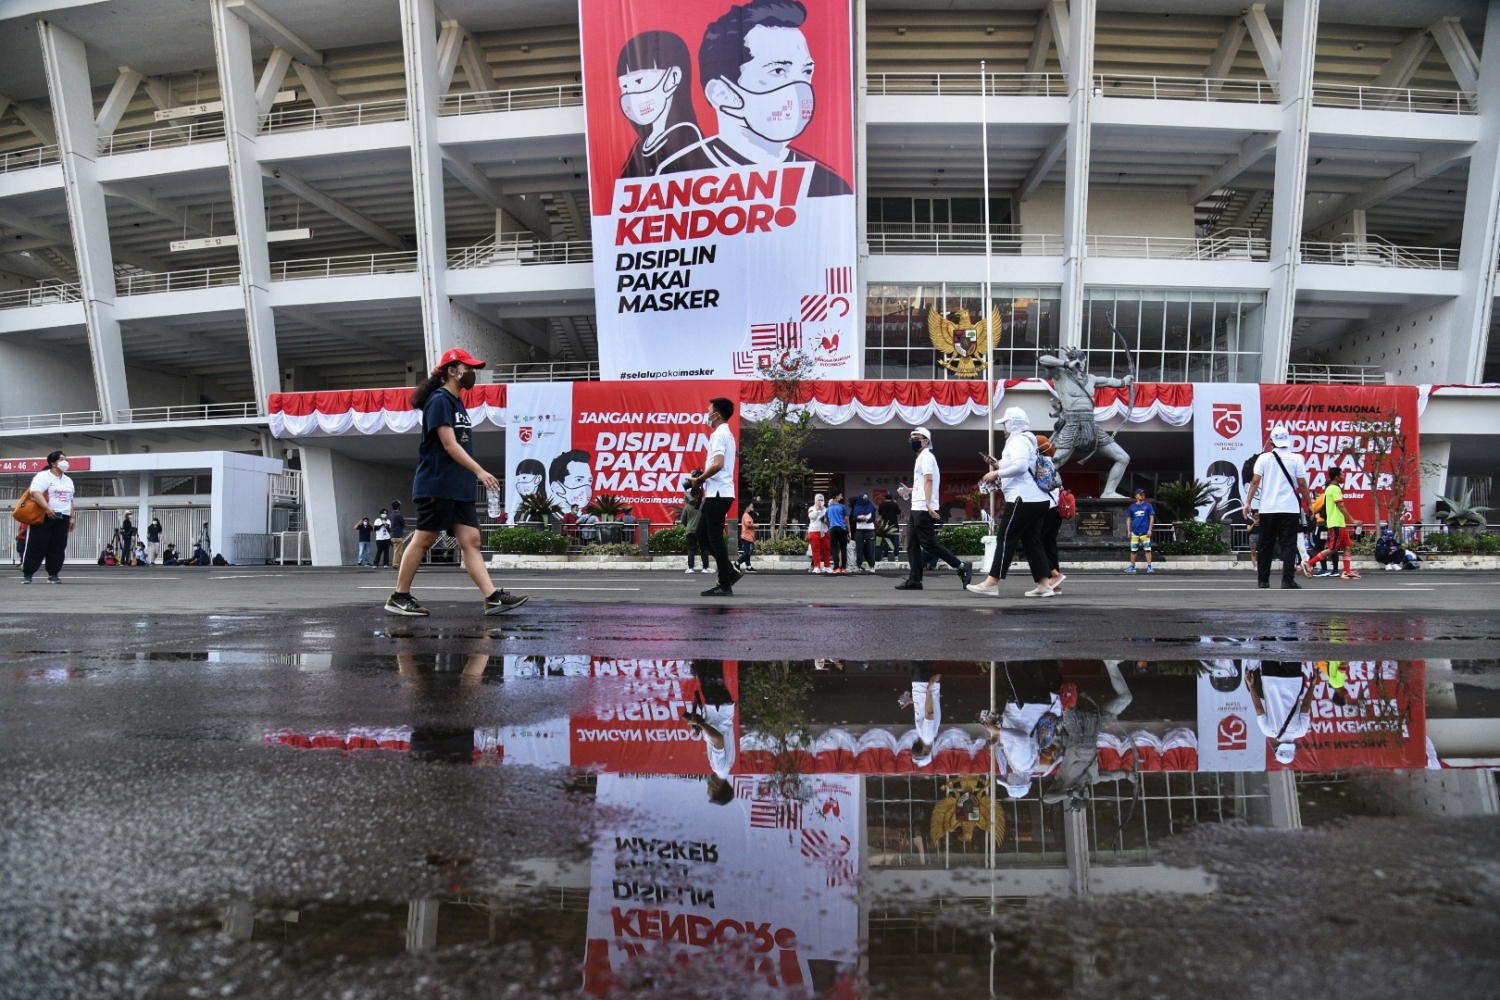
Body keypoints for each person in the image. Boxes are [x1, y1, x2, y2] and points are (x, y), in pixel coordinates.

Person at [385, 347, 529, 617]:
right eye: (469, 368)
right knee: (425, 538)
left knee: (471, 540)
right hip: (438, 482)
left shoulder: (457, 402)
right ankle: (399, 596)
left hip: (457, 486)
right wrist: (479, 471)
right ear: (453, 371)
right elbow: (449, 445)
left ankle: (493, 598)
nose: (473, 374)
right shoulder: (440, 400)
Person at [658, 0, 852, 196]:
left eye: (806, 71)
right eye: (778, 70)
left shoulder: (829, 187)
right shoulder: (677, 177)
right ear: (721, 94)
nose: (799, 87)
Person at [969, 407, 1051, 598]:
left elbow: (1021, 467)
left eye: (1006, 423)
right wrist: (998, 465)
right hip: (1037, 499)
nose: (1004, 427)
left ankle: (992, 582)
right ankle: (1044, 584)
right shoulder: (1028, 441)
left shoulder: (1018, 441)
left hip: (1022, 498)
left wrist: (996, 473)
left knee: (1005, 539)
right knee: (1032, 541)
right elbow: (1020, 465)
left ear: (1013, 424)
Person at [615, 30, 705, 178]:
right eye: (624, 87)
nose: (630, 95)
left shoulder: (689, 143)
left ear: (672, 78)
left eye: (639, 82)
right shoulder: (639, 148)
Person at [895, 427, 972, 591]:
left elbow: (929, 480)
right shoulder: (922, 458)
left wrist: (929, 505)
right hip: (917, 506)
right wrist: (910, 490)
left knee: (929, 544)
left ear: (926, 441)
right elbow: (924, 483)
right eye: (911, 439)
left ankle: (962, 567)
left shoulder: (927, 457)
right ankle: (915, 580)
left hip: (923, 507)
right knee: (912, 545)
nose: (913, 441)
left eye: (917, 438)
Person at [1243, 425, 1313, 590]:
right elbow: (1302, 484)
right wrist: (1309, 504)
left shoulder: (1264, 458)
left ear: (1272, 441)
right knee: (1289, 544)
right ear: (1287, 440)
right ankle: (1287, 580)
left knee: (1265, 544)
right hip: (1290, 508)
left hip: (1268, 508)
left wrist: (1248, 503)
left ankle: (1263, 580)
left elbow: (1255, 481)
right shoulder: (1296, 458)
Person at [686, 397, 742, 597]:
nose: (707, 414)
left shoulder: (719, 434)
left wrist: (698, 479)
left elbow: (718, 464)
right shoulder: (726, 434)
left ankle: (724, 584)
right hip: (719, 493)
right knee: (702, 534)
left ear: (716, 415)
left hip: (718, 494)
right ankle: (729, 571)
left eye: (709, 410)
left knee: (715, 538)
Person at [682, 660, 738, 805]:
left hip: (720, 707)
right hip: (718, 707)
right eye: (710, 790)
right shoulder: (719, 768)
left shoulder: (726, 767)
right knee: (713, 665)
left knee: (702, 670)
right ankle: (715, 640)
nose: (707, 786)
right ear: (715, 787)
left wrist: (701, 725)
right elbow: (718, 737)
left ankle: (707, 643)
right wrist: (700, 723)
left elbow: (716, 735)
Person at [1247, 661, 1316, 766]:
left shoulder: (1301, 731)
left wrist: (1312, 685)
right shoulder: (1268, 731)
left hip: (1293, 681)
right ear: (1276, 747)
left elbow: (1306, 706)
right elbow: (1259, 709)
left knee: (1292, 648)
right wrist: (1251, 686)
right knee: (1268, 648)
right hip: (1271, 681)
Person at [21, 450, 75, 584]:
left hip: (63, 516)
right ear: (52, 463)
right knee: (37, 544)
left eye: (65, 459)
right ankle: (28, 573)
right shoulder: (43, 476)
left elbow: (70, 499)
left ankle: (53, 574)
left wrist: (72, 517)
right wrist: (47, 508)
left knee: (58, 545)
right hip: (44, 515)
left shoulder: (68, 480)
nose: (65, 462)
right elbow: (35, 492)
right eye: (61, 459)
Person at [1304, 467, 1359, 580]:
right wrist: (1352, 520)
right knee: (1333, 548)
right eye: (1342, 475)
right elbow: (1340, 505)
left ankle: (1347, 571)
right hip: (1336, 523)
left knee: (1347, 547)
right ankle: (1309, 563)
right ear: (1336, 477)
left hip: (1340, 523)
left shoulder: (1332, 488)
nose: (1344, 477)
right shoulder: (1334, 488)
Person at [898, 666, 941, 768]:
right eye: (917, 756)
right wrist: (929, 689)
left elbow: (923, 709)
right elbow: (929, 712)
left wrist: (911, 701)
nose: (912, 753)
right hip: (924, 685)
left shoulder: (924, 736)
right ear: (925, 752)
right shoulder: (927, 737)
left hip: (921, 687)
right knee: (920, 657)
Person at [1125, 488, 1156, 574]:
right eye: (1140, 494)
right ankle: (1132, 566)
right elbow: (1129, 519)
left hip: (1145, 532)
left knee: (1148, 549)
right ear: (1136, 496)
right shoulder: (1132, 507)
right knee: (1133, 550)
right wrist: (1129, 531)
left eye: (1143, 494)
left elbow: (1151, 518)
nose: (1142, 495)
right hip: (1135, 532)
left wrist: (1150, 530)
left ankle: (1149, 566)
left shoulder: (1148, 506)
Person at [680, 487, 705, 572]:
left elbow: (683, 519)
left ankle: (691, 568)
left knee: (691, 549)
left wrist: (688, 525)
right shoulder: (703, 504)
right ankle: (705, 568)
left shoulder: (688, 506)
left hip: (690, 530)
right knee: (704, 549)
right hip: (701, 530)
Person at [852, 492, 878, 572]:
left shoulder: (871, 507)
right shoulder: (856, 507)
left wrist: (867, 520)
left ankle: (872, 566)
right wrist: (859, 518)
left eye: (867, 497)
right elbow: (853, 519)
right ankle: (858, 566)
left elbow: (873, 518)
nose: (865, 499)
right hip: (859, 530)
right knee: (859, 549)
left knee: (870, 548)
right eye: (864, 497)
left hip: (869, 530)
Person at [806, 493, 831, 573]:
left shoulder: (826, 509)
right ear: (815, 500)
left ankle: (827, 566)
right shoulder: (811, 508)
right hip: (814, 531)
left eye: (822, 500)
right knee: (816, 550)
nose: (820, 502)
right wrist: (817, 509)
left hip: (824, 531)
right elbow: (811, 516)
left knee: (826, 549)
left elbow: (829, 518)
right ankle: (817, 566)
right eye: (818, 500)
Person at [825, 491, 849, 574]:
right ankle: (844, 568)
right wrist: (849, 531)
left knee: (834, 549)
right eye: (840, 496)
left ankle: (836, 567)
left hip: (833, 529)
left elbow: (825, 520)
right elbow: (846, 519)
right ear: (836, 497)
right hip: (842, 528)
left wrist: (830, 525)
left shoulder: (829, 508)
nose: (841, 497)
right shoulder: (843, 507)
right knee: (843, 548)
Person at [877, 491, 902, 561]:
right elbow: (899, 512)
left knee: (886, 542)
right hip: (894, 525)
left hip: (885, 526)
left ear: (885, 498)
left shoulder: (881, 505)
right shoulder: (894, 505)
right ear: (891, 498)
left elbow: (879, 513)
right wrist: (895, 504)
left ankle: (885, 557)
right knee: (896, 541)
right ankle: (896, 556)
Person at [736, 501, 757, 571]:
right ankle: (737, 563)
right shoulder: (746, 515)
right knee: (748, 552)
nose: (753, 508)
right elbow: (748, 524)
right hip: (747, 536)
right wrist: (756, 525)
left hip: (748, 536)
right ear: (747, 508)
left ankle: (748, 566)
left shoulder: (747, 515)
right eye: (751, 507)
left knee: (747, 552)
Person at [388, 501, 407, 567]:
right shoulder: (399, 515)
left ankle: (395, 563)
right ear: (399, 507)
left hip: (392, 535)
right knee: (398, 551)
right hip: (398, 535)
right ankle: (396, 564)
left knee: (396, 550)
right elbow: (403, 525)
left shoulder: (391, 515)